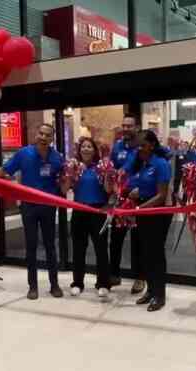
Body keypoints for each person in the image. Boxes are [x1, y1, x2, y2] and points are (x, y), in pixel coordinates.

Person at [0, 123, 64, 300]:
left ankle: (54, 285)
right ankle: (33, 287)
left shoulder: (57, 158)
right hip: (29, 207)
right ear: (36, 134)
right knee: (31, 246)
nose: (43, 137)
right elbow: (4, 170)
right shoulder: (24, 153)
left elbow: (63, 180)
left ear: (52, 139)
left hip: (48, 207)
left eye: (47, 135)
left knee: (50, 246)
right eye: (41, 133)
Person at [124, 130, 173, 312]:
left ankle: (159, 295)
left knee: (156, 255)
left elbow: (161, 196)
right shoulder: (143, 164)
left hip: (157, 213)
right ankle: (151, 291)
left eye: (142, 145)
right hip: (143, 212)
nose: (139, 149)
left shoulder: (160, 164)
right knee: (146, 254)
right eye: (137, 146)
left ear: (152, 145)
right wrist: (135, 194)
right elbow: (141, 186)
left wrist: (137, 210)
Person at [61, 137, 112, 297]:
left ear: (94, 150)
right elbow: (64, 190)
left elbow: (109, 190)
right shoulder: (75, 167)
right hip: (79, 211)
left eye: (90, 146)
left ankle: (103, 284)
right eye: (83, 146)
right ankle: (77, 282)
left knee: (101, 250)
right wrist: (69, 174)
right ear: (79, 149)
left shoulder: (101, 166)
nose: (86, 149)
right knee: (78, 249)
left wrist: (107, 174)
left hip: (98, 212)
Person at [109, 114, 146, 294]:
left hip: (139, 198)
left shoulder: (144, 145)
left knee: (139, 240)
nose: (125, 129)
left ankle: (140, 277)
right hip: (121, 199)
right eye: (123, 125)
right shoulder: (117, 146)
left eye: (129, 126)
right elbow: (113, 168)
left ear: (136, 128)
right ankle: (114, 274)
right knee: (116, 238)